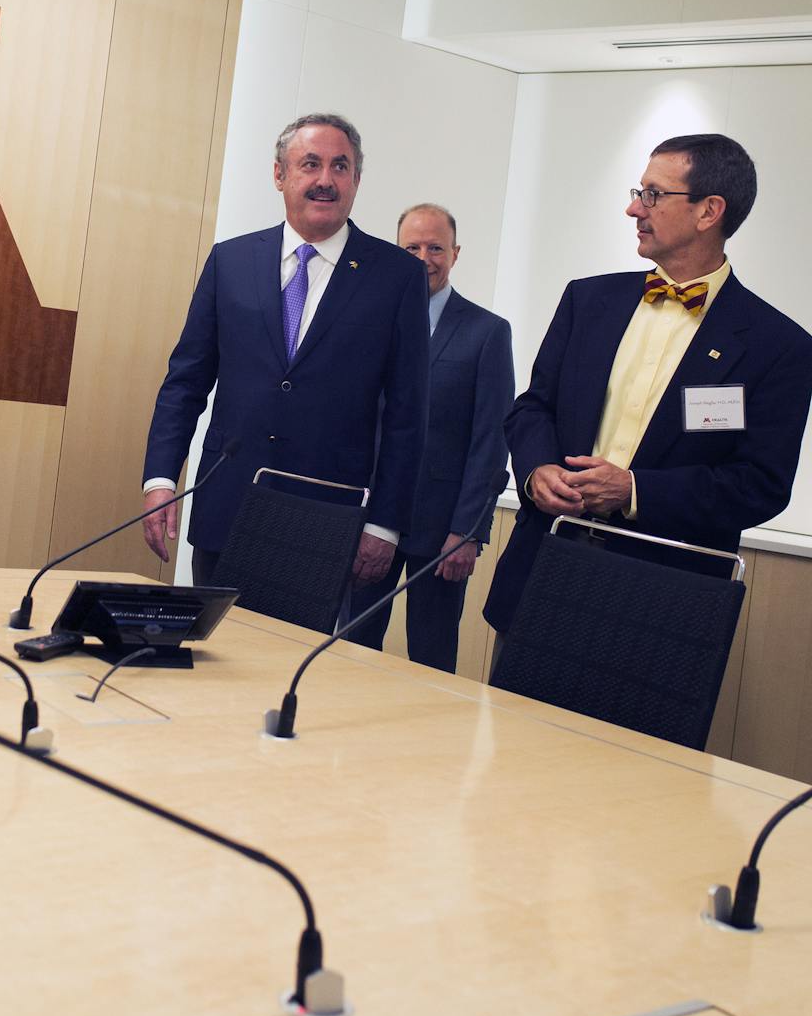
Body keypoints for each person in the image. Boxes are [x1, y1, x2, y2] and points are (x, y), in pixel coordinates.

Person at [484, 133, 812, 638]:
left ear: (709, 212)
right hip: (545, 566)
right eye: (639, 191)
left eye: (653, 195)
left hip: (663, 598)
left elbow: (759, 484)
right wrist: (537, 471)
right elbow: (533, 408)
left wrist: (635, 490)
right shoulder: (587, 301)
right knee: (504, 717)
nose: (633, 208)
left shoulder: (778, 345)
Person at [141, 112, 429, 588]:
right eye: (310, 164)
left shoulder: (397, 277)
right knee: (211, 652)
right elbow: (186, 383)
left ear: (357, 179)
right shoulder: (230, 261)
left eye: (340, 167)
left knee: (295, 662)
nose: (325, 180)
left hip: (326, 519)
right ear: (279, 174)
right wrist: (161, 480)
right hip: (226, 506)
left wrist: (384, 524)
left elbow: (407, 413)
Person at [344, 205, 513, 673]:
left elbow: (490, 442)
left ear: (455, 254)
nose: (424, 258)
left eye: (435, 247)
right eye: (411, 248)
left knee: (432, 658)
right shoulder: (369, 323)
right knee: (349, 648)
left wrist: (468, 534)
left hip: (442, 534)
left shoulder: (488, 333)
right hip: (367, 520)